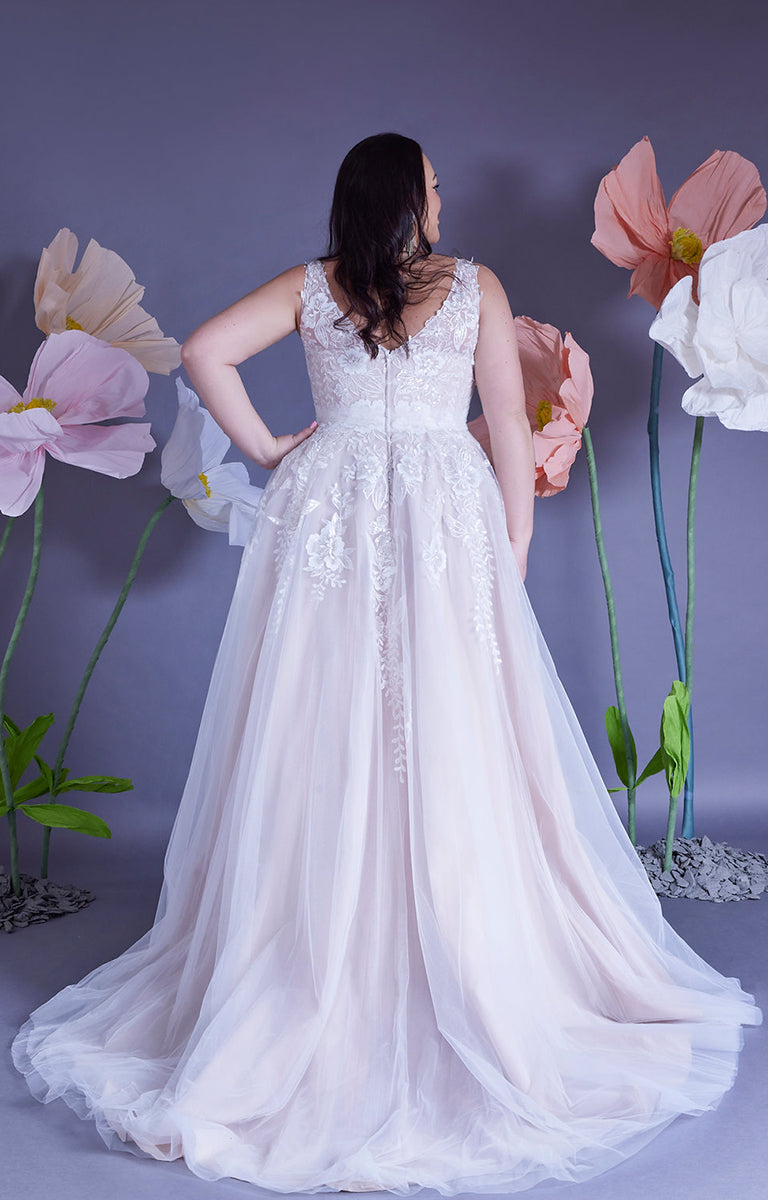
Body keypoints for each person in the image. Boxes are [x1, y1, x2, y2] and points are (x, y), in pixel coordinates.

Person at [12, 132, 762, 1195]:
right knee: (440, 721)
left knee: (330, 719)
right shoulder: (475, 289)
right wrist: (512, 546)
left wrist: (275, 448)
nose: (445, 198)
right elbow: (506, 427)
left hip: (335, 509)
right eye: (435, 185)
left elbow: (207, 351)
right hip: (446, 517)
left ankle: (335, 944)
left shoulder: (313, 287)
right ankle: (419, 948)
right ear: (407, 197)